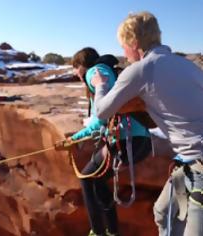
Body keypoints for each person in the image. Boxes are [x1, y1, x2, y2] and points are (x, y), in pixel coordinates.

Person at [92, 11, 203, 236]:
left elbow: (103, 111)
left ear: (134, 42)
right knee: (163, 212)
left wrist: (99, 85)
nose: (123, 54)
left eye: (123, 46)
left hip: (199, 164)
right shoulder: (188, 66)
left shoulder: (140, 70)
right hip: (189, 162)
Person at [65, 47, 152, 236]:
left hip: (128, 141)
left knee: (87, 178)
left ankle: (98, 232)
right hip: (141, 140)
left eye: (75, 67)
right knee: (98, 181)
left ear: (82, 65)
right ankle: (112, 232)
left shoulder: (93, 73)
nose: (74, 73)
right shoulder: (108, 70)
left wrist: (74, 138)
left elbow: (101, 118)